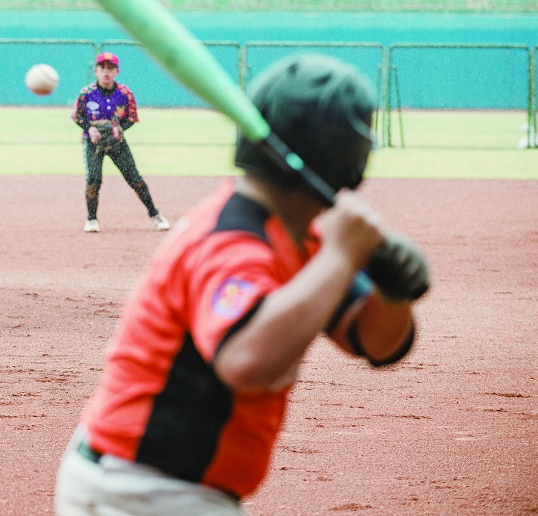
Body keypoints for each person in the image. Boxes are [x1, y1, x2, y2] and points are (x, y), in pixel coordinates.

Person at [54, 53, 430, 515]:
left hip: (169, 487)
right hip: (139, 488)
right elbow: (246, 361)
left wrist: (392, 291)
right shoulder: (232, 239)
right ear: (345, 158)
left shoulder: (301, 233)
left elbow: (375, 341)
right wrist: (340, 257)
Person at [73, 51, 169, 233]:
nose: (106, 72)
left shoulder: (125, 93)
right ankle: (91, 219)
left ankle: (155, 214)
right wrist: (89, 128)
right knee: (93, 179)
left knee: (134, 179)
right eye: (102, 67)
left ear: (117, 72)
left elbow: (132, 117)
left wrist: (121, 128)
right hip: (94, 143)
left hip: (117, 143)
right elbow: (77, 116)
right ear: (95, 71)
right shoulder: (86, 94)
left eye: (111, 68)